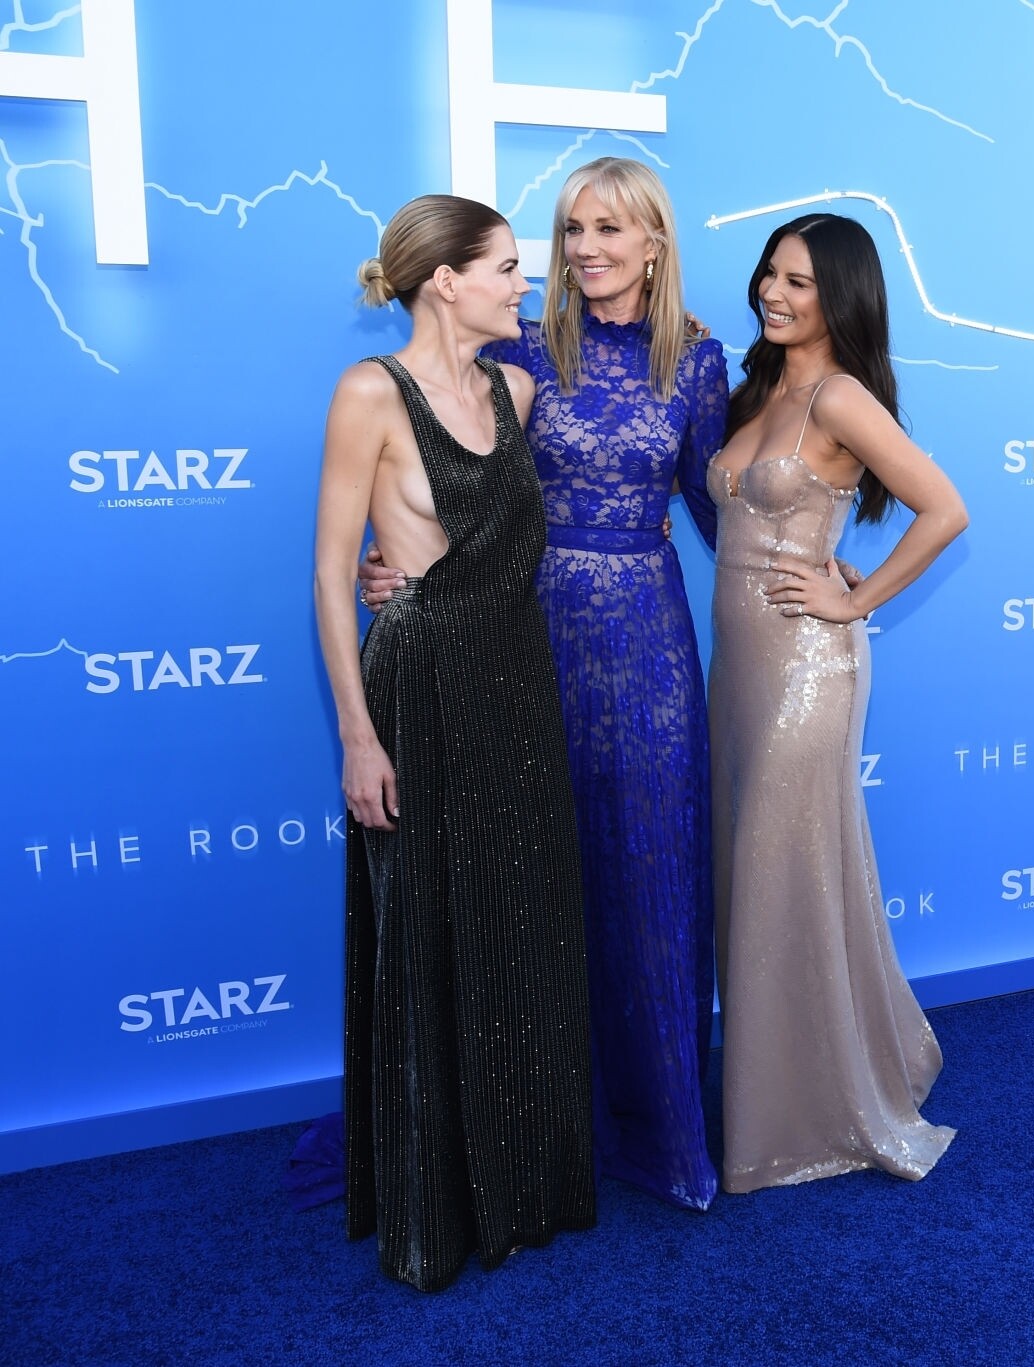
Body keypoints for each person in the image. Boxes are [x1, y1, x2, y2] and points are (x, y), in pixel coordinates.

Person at [358, 158, 729, 1211]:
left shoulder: (699, 360)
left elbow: (717, 509)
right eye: (571, 229)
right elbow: (452, 478)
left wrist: (812, 574)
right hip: (522, 625)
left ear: (654, 241)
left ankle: (662, 1127)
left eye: (609, 228)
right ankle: (537, 1121)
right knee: (531, 874)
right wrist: (398, 566)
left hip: (650, 640)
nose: (585, 248)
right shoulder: (518, 344)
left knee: (652, 869)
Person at [311, 195, 595, 1290]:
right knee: (430, 931)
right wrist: (357, 735)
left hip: (516, 679)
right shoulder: (369, 392)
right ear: (446, 280)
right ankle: (438, 1206)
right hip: (419, 686)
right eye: (508, 267)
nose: (527, 284)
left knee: (522, 924)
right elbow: (333, 573)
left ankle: (526, 1183)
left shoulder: (515, 389)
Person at [710, 213, 968, 1192]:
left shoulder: (842, 396)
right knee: (758, 874)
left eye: (799, 283)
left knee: (783, 874)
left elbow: (945, 508)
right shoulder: (757, 387)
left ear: (841, 297)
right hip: (738, 669)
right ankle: (802, 1075)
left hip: (807, 670)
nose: (772, 294)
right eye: (769, 274)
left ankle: (802, 1117)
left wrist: (855, 599)